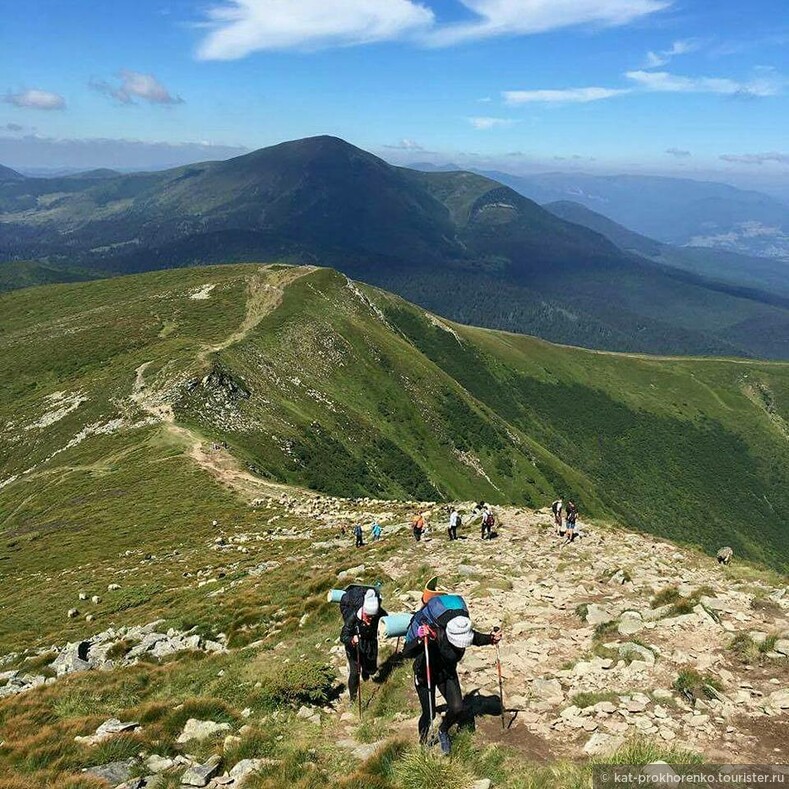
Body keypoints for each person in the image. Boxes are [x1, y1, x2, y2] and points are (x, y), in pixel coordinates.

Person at [402, 612, 502, 754]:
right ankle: (423, 741)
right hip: (425, 674)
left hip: (447, 673)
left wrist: (491, 639)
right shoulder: (434, 634)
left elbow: (477, 638)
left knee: (457, 708)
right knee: (429, 713)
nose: (462, 647)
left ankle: (443, 731)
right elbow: (406, 652)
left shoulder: (463, 631)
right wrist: (420, 638)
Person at [340, 589, 387, 702]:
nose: (370, 620)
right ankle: (353, 698)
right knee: (355, 672)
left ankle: (367, 675)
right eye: (368, 617)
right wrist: (352, 639)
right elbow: (343, 637)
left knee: (370, 662)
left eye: (373, 617)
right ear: (364, 612)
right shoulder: (353, 618)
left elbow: (386, 618)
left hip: (370, 641)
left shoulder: (377, 612)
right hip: (353, 647)